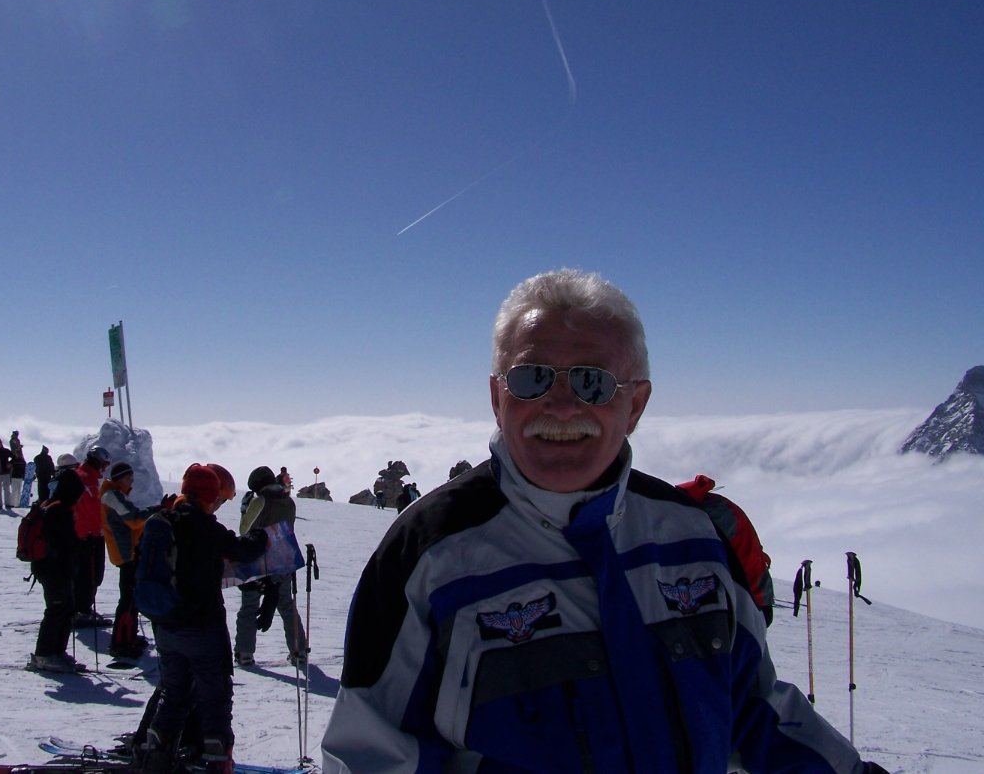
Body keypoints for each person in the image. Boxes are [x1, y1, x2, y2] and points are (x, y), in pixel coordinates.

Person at [322, 269, 889, 774]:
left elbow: (754, 707)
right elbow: (374, 752)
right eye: (531, 378)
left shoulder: (692, 538)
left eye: (592, 382)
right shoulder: (429, 557)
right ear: (498, 397)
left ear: (635, 405)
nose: (561, 404)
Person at [142, 464, 268, 774]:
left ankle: (156, 754)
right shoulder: (204, 526)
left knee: (174, 693)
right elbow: (242, 551)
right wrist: (261, 537)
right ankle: (217, 761)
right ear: (209, 496)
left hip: (166, 625)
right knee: (215, 696)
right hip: (202, 625)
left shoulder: (161, 520)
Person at [233, 466, 307, 667]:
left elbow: (245, 529)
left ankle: (245, 652)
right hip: (283, 558)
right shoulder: (288, 501)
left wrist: (244, 510)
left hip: (257, 557)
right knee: (286, 605)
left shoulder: (260, 501)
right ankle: (299, 650)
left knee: (250, 605)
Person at [29, 453, 85, 672]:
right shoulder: (59, 510)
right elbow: (62, 543)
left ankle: (56, 652)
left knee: (65, 608)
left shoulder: (54, 505)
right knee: (57, 609)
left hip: (51, 567)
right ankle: (44, 655)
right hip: (53, 567)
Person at [100, 462, 157, 659]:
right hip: (125, 552)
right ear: (119, 478)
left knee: (131, 597)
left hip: (127, 550)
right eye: (128, 477)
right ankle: (121, 642)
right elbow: (134, 519)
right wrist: (156, 509)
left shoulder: (115, 494)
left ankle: (128, 636)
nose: (131, 481)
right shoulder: (112, 495)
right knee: (128, 598)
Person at [72, 445, 110, 624]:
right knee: (92, 574)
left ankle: (77, 608)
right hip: (89, 534)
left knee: (81, 573)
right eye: (104, 464)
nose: (104, 468)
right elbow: (95, 510)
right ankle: (83, 610)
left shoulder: (78, 475)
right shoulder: (89, 481)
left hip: (77, 534)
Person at [9, 431, 26, 505]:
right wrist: (19, 448)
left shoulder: (14, 439)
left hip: (17, 454)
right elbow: (15, 448)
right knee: (15, 490)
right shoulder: (14, 439)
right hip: (16, 455)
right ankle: (13, 502)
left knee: (17, 490)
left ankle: (15, 502)